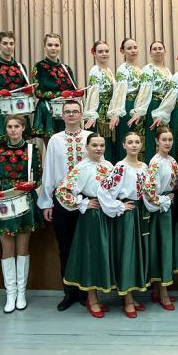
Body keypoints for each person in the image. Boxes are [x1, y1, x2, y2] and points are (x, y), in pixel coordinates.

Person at [36, 100, 92, 311]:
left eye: (75, 111)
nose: (71, 115)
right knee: (65, 247)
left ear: (81, 114)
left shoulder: (91, 137)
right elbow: (49, 171)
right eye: (67, 112)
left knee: (86, 247)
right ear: (62, 115)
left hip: (87, 200)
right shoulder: (55, 140)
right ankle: (69, 292)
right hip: (61, 199)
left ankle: (86, 292)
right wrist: (46, 202)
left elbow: (99, 169)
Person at [0, 115, 42, 313]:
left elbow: (37, 176)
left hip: (24, 199)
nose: (13, 130)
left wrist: (31, 184)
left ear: (23, 128)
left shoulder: (32, 149)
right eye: (9, 126)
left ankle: (21, 293)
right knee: (7, 248)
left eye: (17, 126)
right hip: (3, 199)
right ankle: (10, 293)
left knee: (22, 247)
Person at [56, 134, 115, 318]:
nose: (98, 148)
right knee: (91, 256)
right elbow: (62, 191)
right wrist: (83, 203)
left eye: (101, 145)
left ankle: (97, 297)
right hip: (92, 217)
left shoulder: (109, 166)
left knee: (103, 255)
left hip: (107, 215)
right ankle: (92, 299)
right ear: (87, 147)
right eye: (94, 145)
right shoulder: (81, 167)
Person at [97, 132, 149, 318]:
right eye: (130, 142)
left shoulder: (144, 166)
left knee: (137, 255)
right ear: (123, 145)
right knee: (128, 254)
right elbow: (103, 190)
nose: (134, 145)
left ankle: (131, 295)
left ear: (141, 144)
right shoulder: (120, 167)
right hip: (127, 216)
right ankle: (127, 299)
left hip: (141, 213)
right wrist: (119, 206)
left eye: (137, 142)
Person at [142, 126, 178, 310]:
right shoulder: (155, 162)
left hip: (170, 209)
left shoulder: (171, 160)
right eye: (164, 140)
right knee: (163, 249)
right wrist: (165, 199)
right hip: (161, 211)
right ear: (157, 141)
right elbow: (148, 191)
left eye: (170, 139)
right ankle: (163, 293)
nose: (167, 143)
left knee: (164, 248)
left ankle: (157, 290)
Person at [0, 31, 32, 141]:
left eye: (11, 43)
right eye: (5, 43)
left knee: (19, 143)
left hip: (19, 108)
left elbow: (25, 86)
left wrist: (28, 90)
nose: (8, 46)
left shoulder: (20, 66)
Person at [129, 41, 175, 161]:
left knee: (164, 138)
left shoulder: (168, 70)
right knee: (152, 138)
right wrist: (139, 111)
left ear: (165, 51)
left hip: (165, 107)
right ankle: (151, 164)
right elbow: (144, 91)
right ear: (150, 53)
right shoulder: (148, 69)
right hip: (152, 105)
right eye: (154, 49)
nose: (158, 51)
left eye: (160, 48)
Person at [31, 33, 78, 140]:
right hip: (47, 110)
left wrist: (77, 92)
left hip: (66, 111)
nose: (53, 48)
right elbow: (38, 92)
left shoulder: (66, 68)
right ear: (44, 47)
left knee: (67, 145)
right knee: (51, 146)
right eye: (50, 45)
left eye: (56, 45)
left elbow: (73, 90)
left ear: (60, 47)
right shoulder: (38, 67)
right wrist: (60, 94)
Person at [108, 38, 144, 161]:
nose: (133, 51)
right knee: (127, 138)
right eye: (129, 48)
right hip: (127, 106)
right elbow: (119, 92)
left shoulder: (139, 69)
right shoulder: (123, 69)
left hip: (138, 106)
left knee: (138, 140)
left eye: (135, 47)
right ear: (122, 51)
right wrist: (116, 112)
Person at [83, 40, 116, 162]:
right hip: (99, 110)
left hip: (108, 110)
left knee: (108, 144)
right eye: (100, 51)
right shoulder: (95, 71)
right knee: (100, 142)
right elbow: (93, 93)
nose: (104, 54)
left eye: (106, 51)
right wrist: (92, 114)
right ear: (94, 54)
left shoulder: (109, 70)